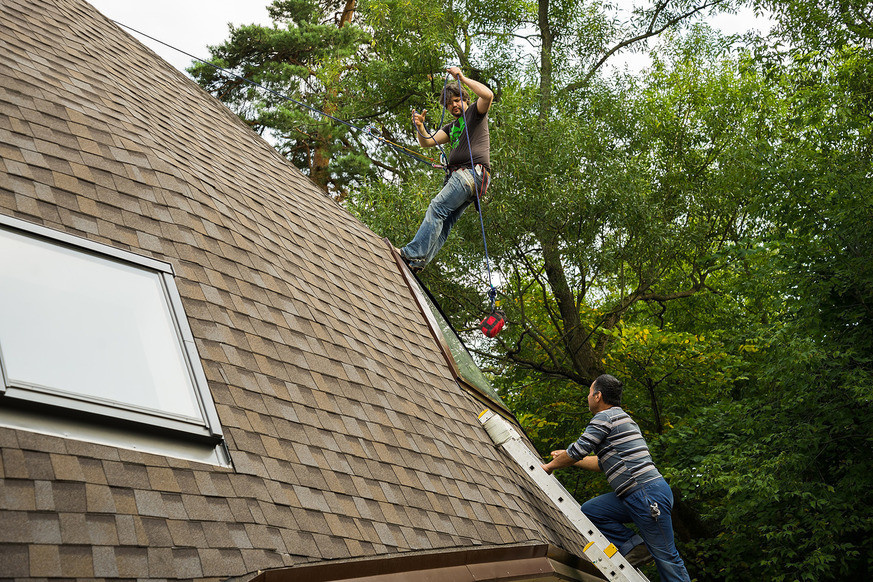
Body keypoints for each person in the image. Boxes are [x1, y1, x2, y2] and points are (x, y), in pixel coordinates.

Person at [541, 374, 692, 582]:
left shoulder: (604, 417)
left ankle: (641, 550)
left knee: (667, 558)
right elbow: (600, 463)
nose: (587, 397)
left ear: (598, 396)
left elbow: (579, 449)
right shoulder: (621, 418)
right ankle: (635, 547)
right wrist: (569, 459)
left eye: (589, 392)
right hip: (636, 495)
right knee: (592, 511)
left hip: (645, 494)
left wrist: (549, 467)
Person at [396, 66, 493, 272]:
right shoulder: (452, 127)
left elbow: (488, 95)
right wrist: (420, 127)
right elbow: (426, 142)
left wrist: (462, 78)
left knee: (437, 207)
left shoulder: (475, 113)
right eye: (449, 104)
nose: (453, 105)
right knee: (445, 220)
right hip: (469, 180)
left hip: (471, 173)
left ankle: (411, 253)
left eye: (457, 100)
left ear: (465, 99)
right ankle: (418, 262)